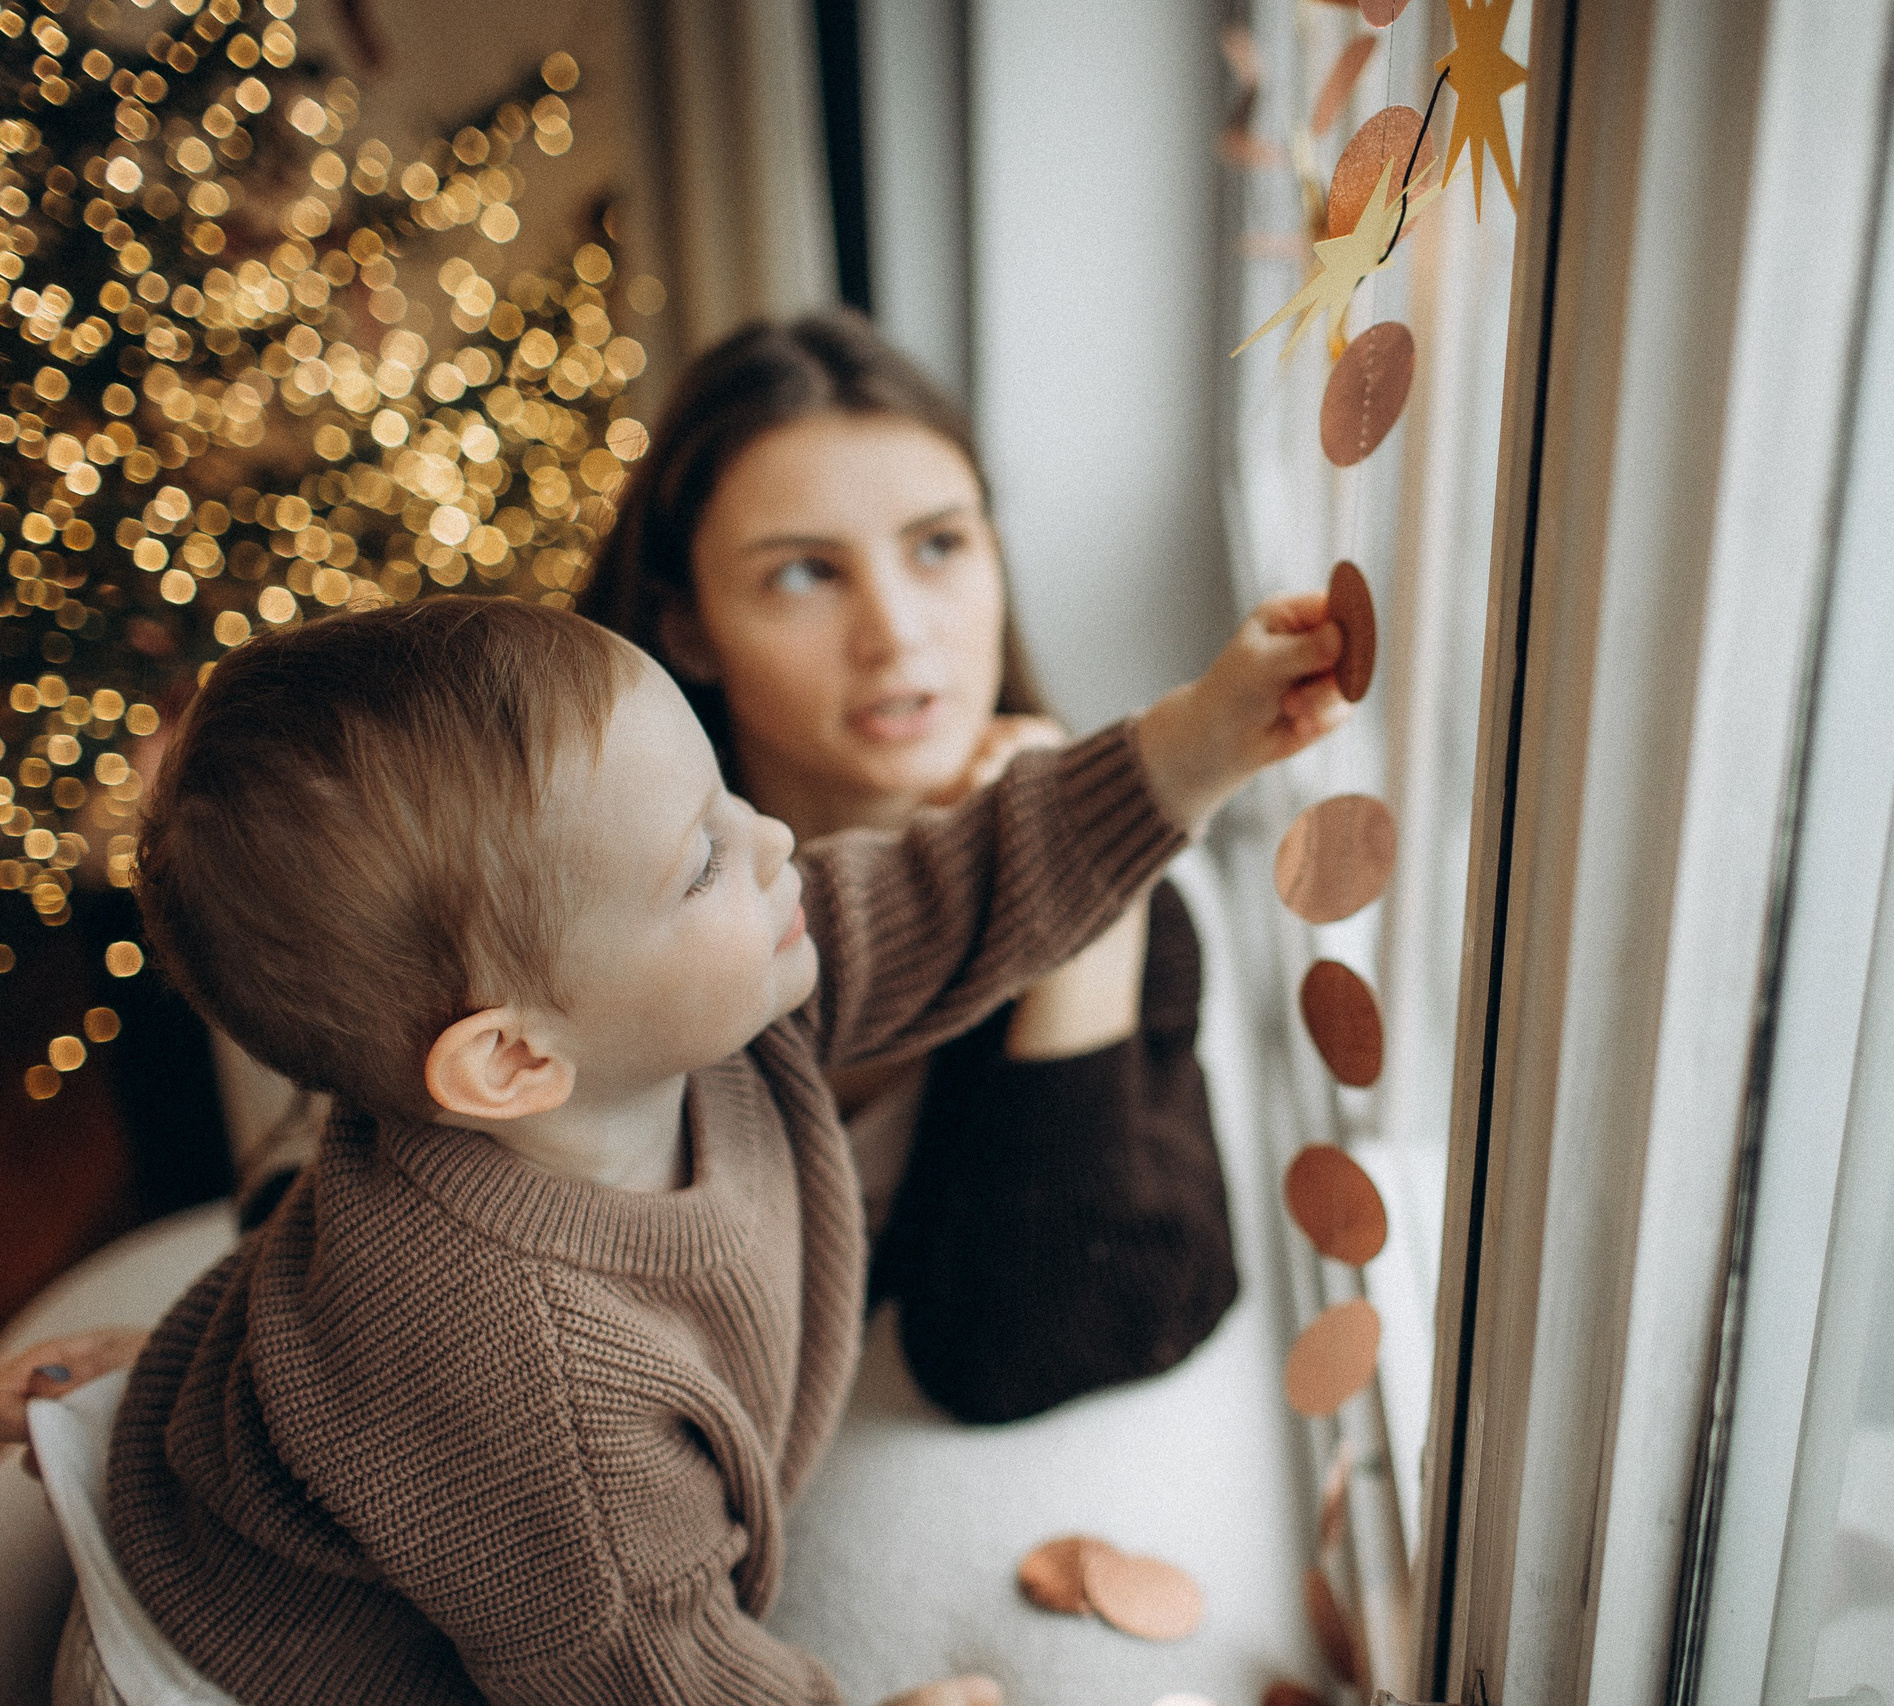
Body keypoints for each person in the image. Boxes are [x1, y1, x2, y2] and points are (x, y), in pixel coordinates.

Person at [18, 591, 1340, 1703]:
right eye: (699, 859)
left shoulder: (700, 1008)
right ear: (516, 1057)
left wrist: (1199, 739)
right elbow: (652, 1678)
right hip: (241, 1672)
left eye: (723, 799)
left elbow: (957, 888)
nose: (773, 843)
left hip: (351, 1459)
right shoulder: (547, 1388)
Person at [581, 310, 1240, 1424]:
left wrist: (1081, 883)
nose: (896, 632)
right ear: (687, 629)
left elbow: (1021, 1345)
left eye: (939, 545)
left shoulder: (1145, 914)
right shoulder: (587, 904)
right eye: (802, 573)